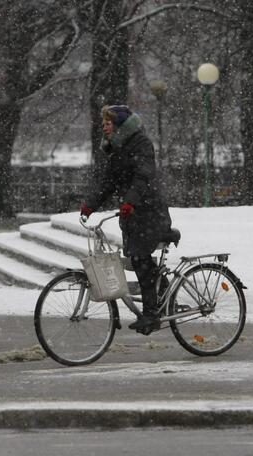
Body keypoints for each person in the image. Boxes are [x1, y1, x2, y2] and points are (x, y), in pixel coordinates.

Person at [80, 104, 173, 333]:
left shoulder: (141, 144)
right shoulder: (117, 149)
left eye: (108, 123)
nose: (104, 127)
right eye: (103, 123)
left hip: (150, 212)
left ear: (120, 125)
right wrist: (90, 205)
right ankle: (164, 297)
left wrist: (131, 200)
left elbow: (143, 176)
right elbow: (109, 183)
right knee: (136, 259)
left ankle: (152, 315)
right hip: (133, 215)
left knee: (141, 259)